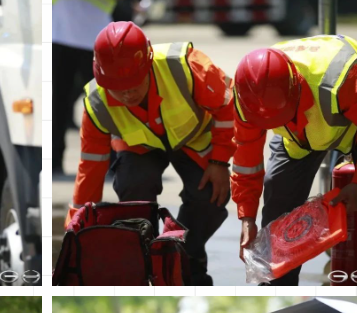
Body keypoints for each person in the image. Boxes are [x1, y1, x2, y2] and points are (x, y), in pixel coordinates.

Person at [67, 21, 235, 285]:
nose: (127, 93)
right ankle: (143, 261)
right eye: (117, 86)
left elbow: (227, 105)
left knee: (210, 197)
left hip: (195, 139)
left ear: (148, 65)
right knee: (133, 188)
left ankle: (186, 259)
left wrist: (220, 161)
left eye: (133, 83)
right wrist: (76, 227)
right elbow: (91, 167)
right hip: (139, 146)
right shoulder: (96, 104)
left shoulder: (186, 66)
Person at [232, 35, 357, 285]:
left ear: (296, 87)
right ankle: (277, 286)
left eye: (279, 117)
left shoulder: (349, 78)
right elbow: (246, 158)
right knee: (278, 204)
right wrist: (247, 218)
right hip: (299, 139)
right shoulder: (248, 93)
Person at [52, 0, 115, 176]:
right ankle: (54, 160)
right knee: (57, 104)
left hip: (97, 37)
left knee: (105, 103)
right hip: (58, 34)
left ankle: (113, 159)